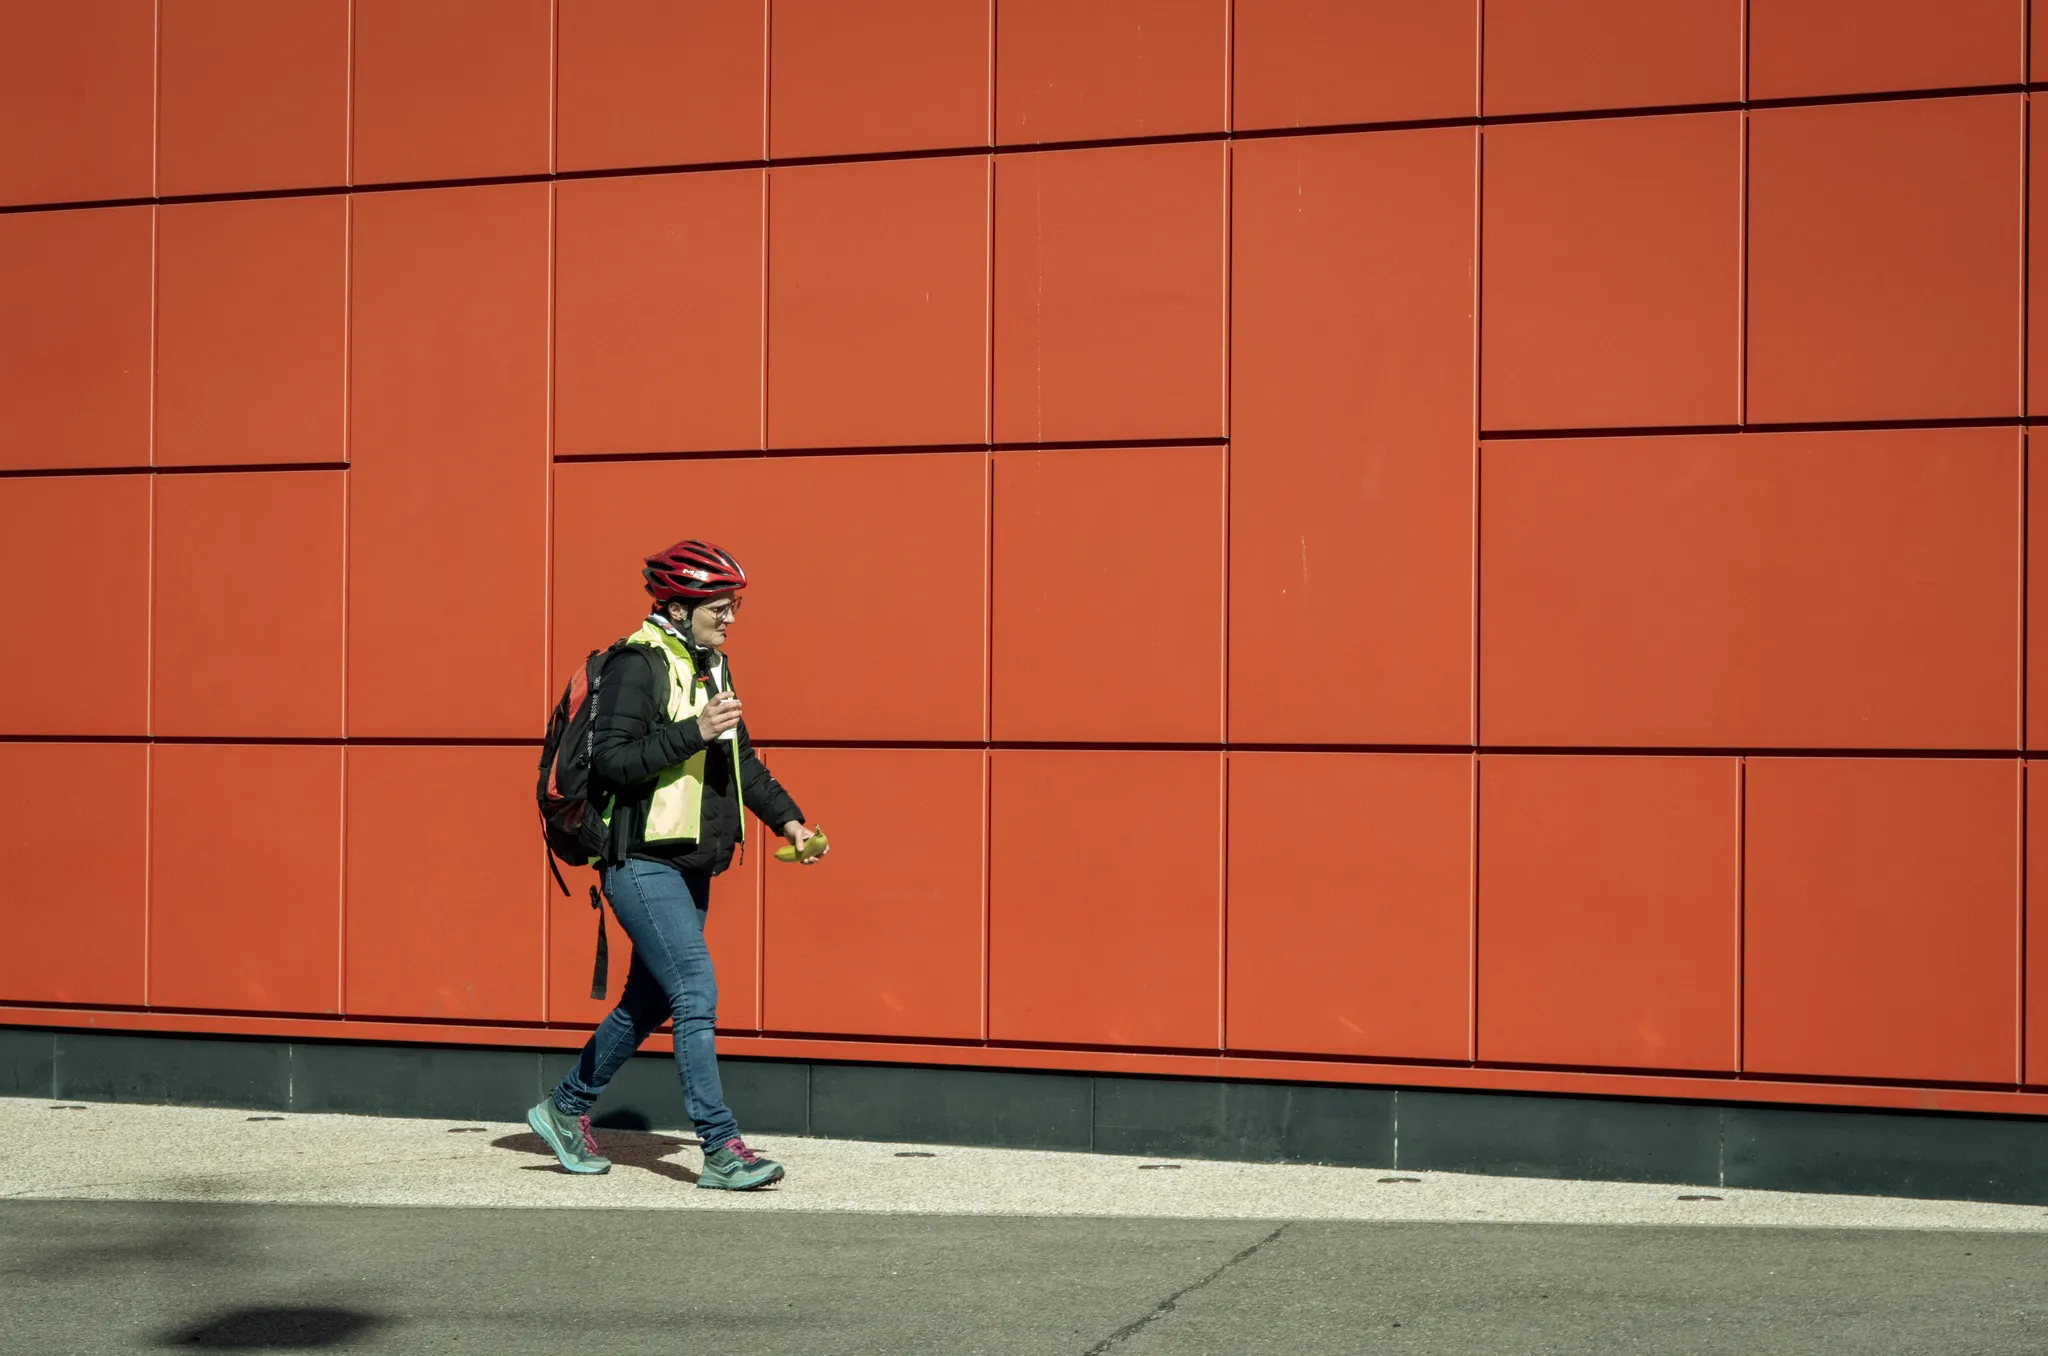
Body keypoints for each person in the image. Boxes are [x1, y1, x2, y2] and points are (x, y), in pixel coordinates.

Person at [527, 539, 825, 1189]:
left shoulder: (712, 666)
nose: (731, 618)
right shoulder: (640, 664)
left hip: (689, 862)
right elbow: (612, 762)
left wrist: (790, 819)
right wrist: (694, 729)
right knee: (694, 989)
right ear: (680, 605)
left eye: (734, 605)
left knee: (648, 999)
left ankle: (566, 1106)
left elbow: (739, 761)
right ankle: (720, 1147)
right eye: (720, 606)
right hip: (636, 859)